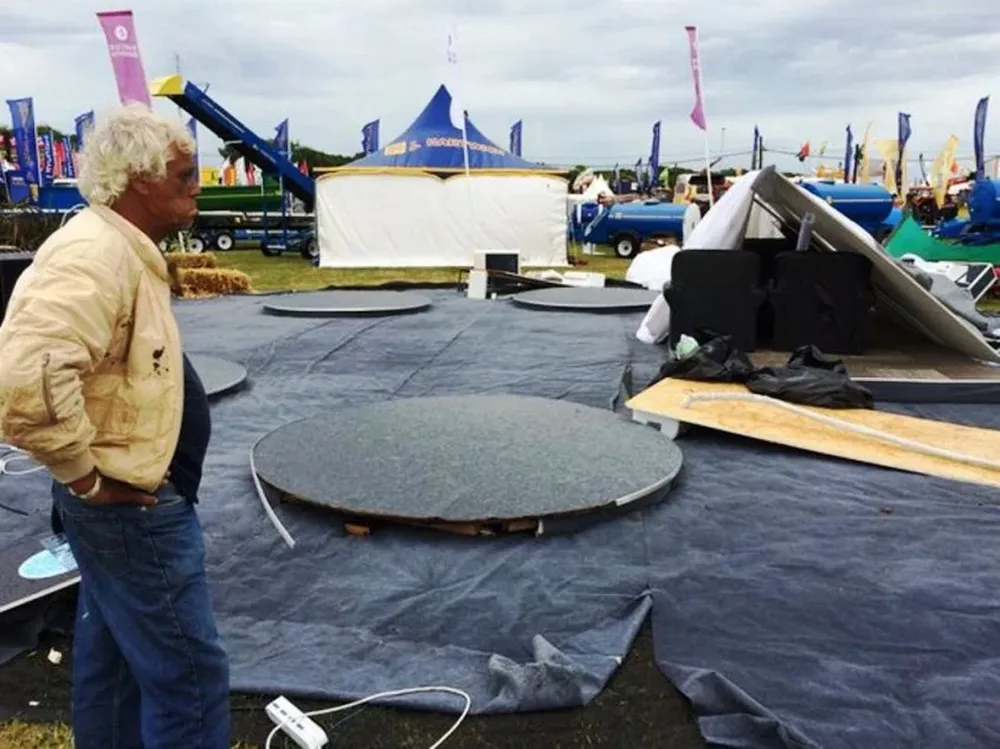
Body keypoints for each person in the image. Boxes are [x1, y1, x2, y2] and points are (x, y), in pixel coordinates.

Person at [0, 103, 230, 748]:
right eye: (185, 175)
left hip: (126, 503)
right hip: (131, 509)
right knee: (189, 674)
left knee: (117, 658)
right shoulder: (95, 253)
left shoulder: (117, 247)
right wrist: (86, 479)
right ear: (138, 178)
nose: (196, 186)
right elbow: (26, 379)